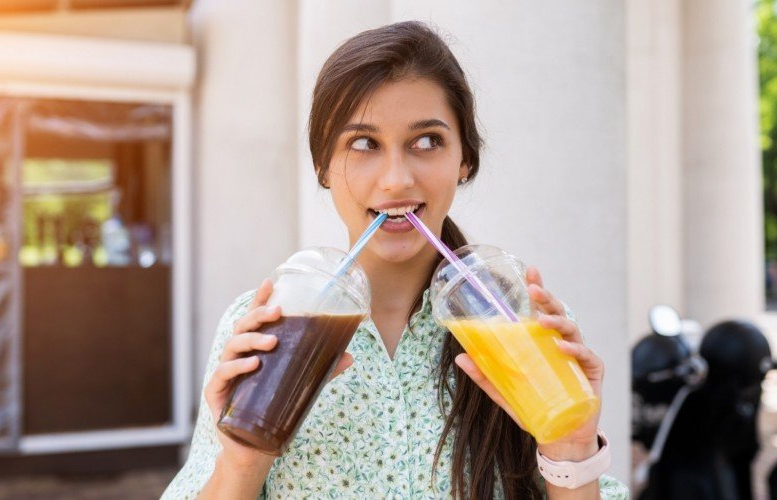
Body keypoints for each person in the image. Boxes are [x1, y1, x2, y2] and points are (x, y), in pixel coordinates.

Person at [163, 21, 628, 499]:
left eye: (426, 141)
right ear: (323, 165)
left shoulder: (521, 322)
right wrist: (243, 459)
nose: (396, 179)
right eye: (364, 144)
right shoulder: (264, 327)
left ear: (465, 159)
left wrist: (570, 449)